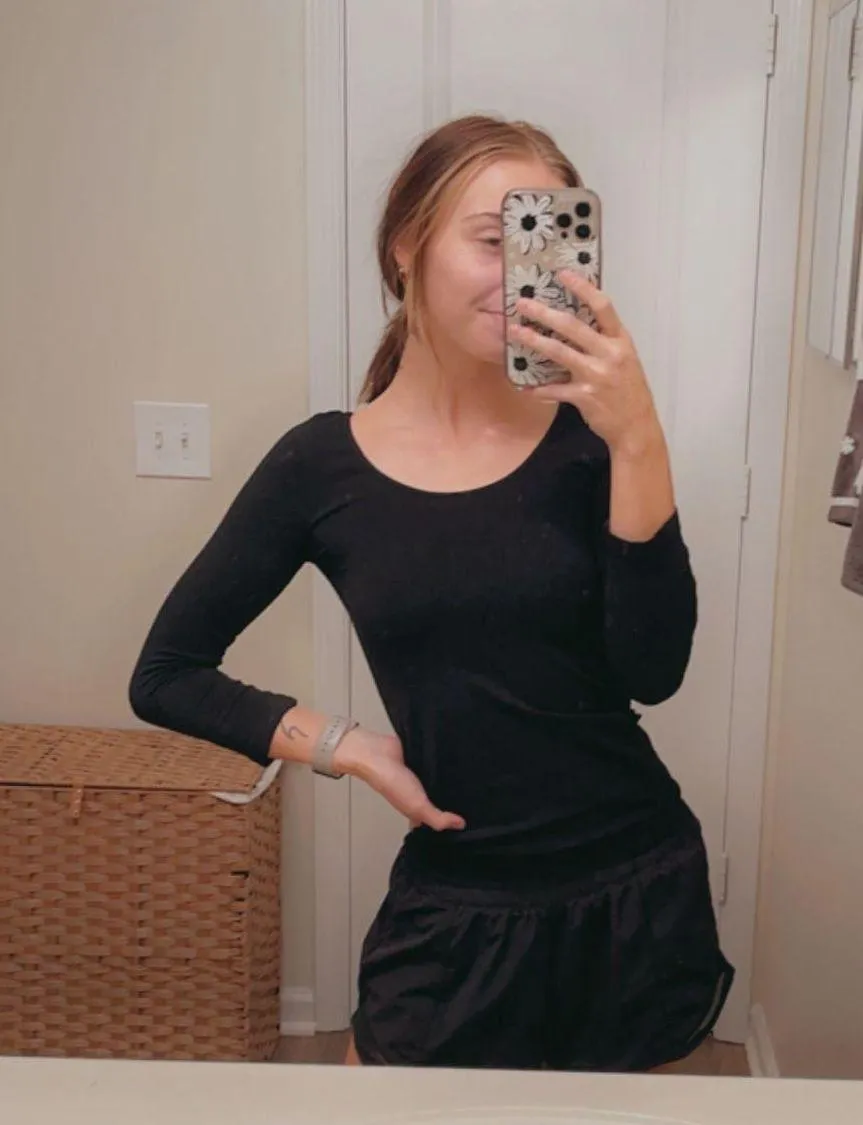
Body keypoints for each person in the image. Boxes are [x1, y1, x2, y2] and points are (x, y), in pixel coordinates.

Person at [129, 114, 734, 1072]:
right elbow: (167, 673)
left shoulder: (590, 445)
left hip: (634, 887)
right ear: (406, 244)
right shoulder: (318, 465)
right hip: (455, 905)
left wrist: (637, 437)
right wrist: (346, 746)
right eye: (493, 239)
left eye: (544, 244)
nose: (520, 274)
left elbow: (652, 672)